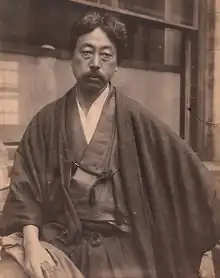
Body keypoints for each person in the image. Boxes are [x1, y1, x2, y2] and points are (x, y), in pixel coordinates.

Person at [0, 10, 219, 278]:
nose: (95, 63)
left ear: (117, 65)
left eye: (106, 55)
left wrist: (203, 252)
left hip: (123, 253)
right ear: (72, 58)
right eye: (86, 52)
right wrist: (32, 247)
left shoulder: (137, 119)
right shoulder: (46, 122)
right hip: (61, 245)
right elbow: (26, 194)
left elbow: (191, 179)